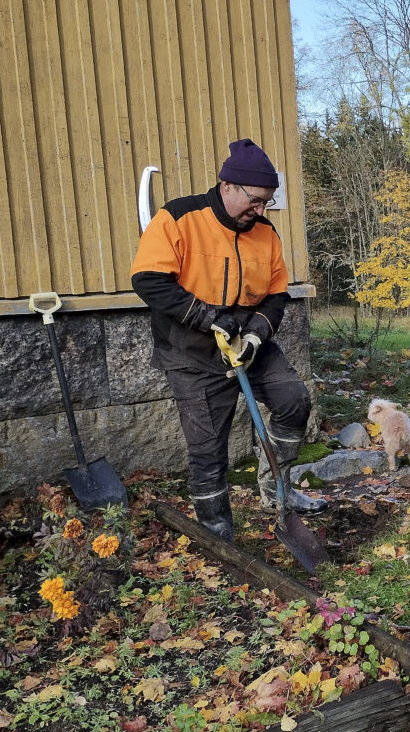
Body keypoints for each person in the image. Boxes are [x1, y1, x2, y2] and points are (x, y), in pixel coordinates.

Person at [131, 139, 327, 541]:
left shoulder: (265, 233)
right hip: (191, 350)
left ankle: (278, 490)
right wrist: (206, 318)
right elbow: (148, 280)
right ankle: (218, 532)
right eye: (255, 201)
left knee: (294, 400)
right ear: (228, 186)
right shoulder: (180, 217)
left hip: (247, 341)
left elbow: (275, 295)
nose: (260, 211)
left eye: (266, 203)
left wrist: (256, 335)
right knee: (208, 449)